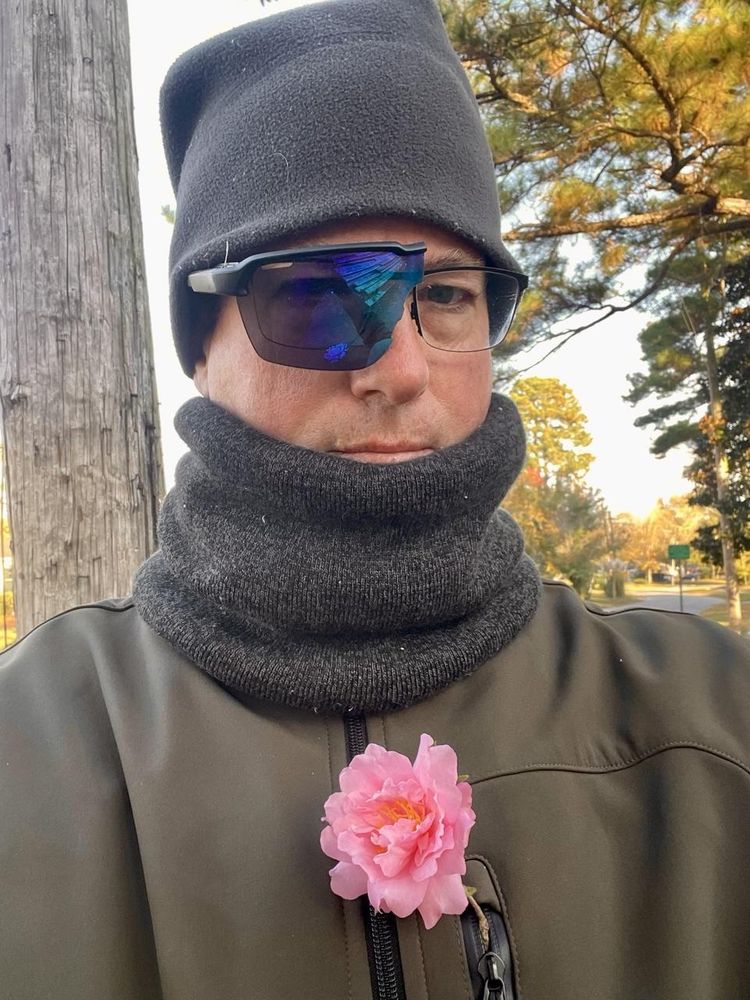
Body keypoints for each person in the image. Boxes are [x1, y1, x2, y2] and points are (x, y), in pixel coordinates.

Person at [2, 1, 750, 997]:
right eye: (316, 296)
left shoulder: (710, 720)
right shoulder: (33, 749)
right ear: (200, 342)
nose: (401, 369)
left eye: (443, 293)